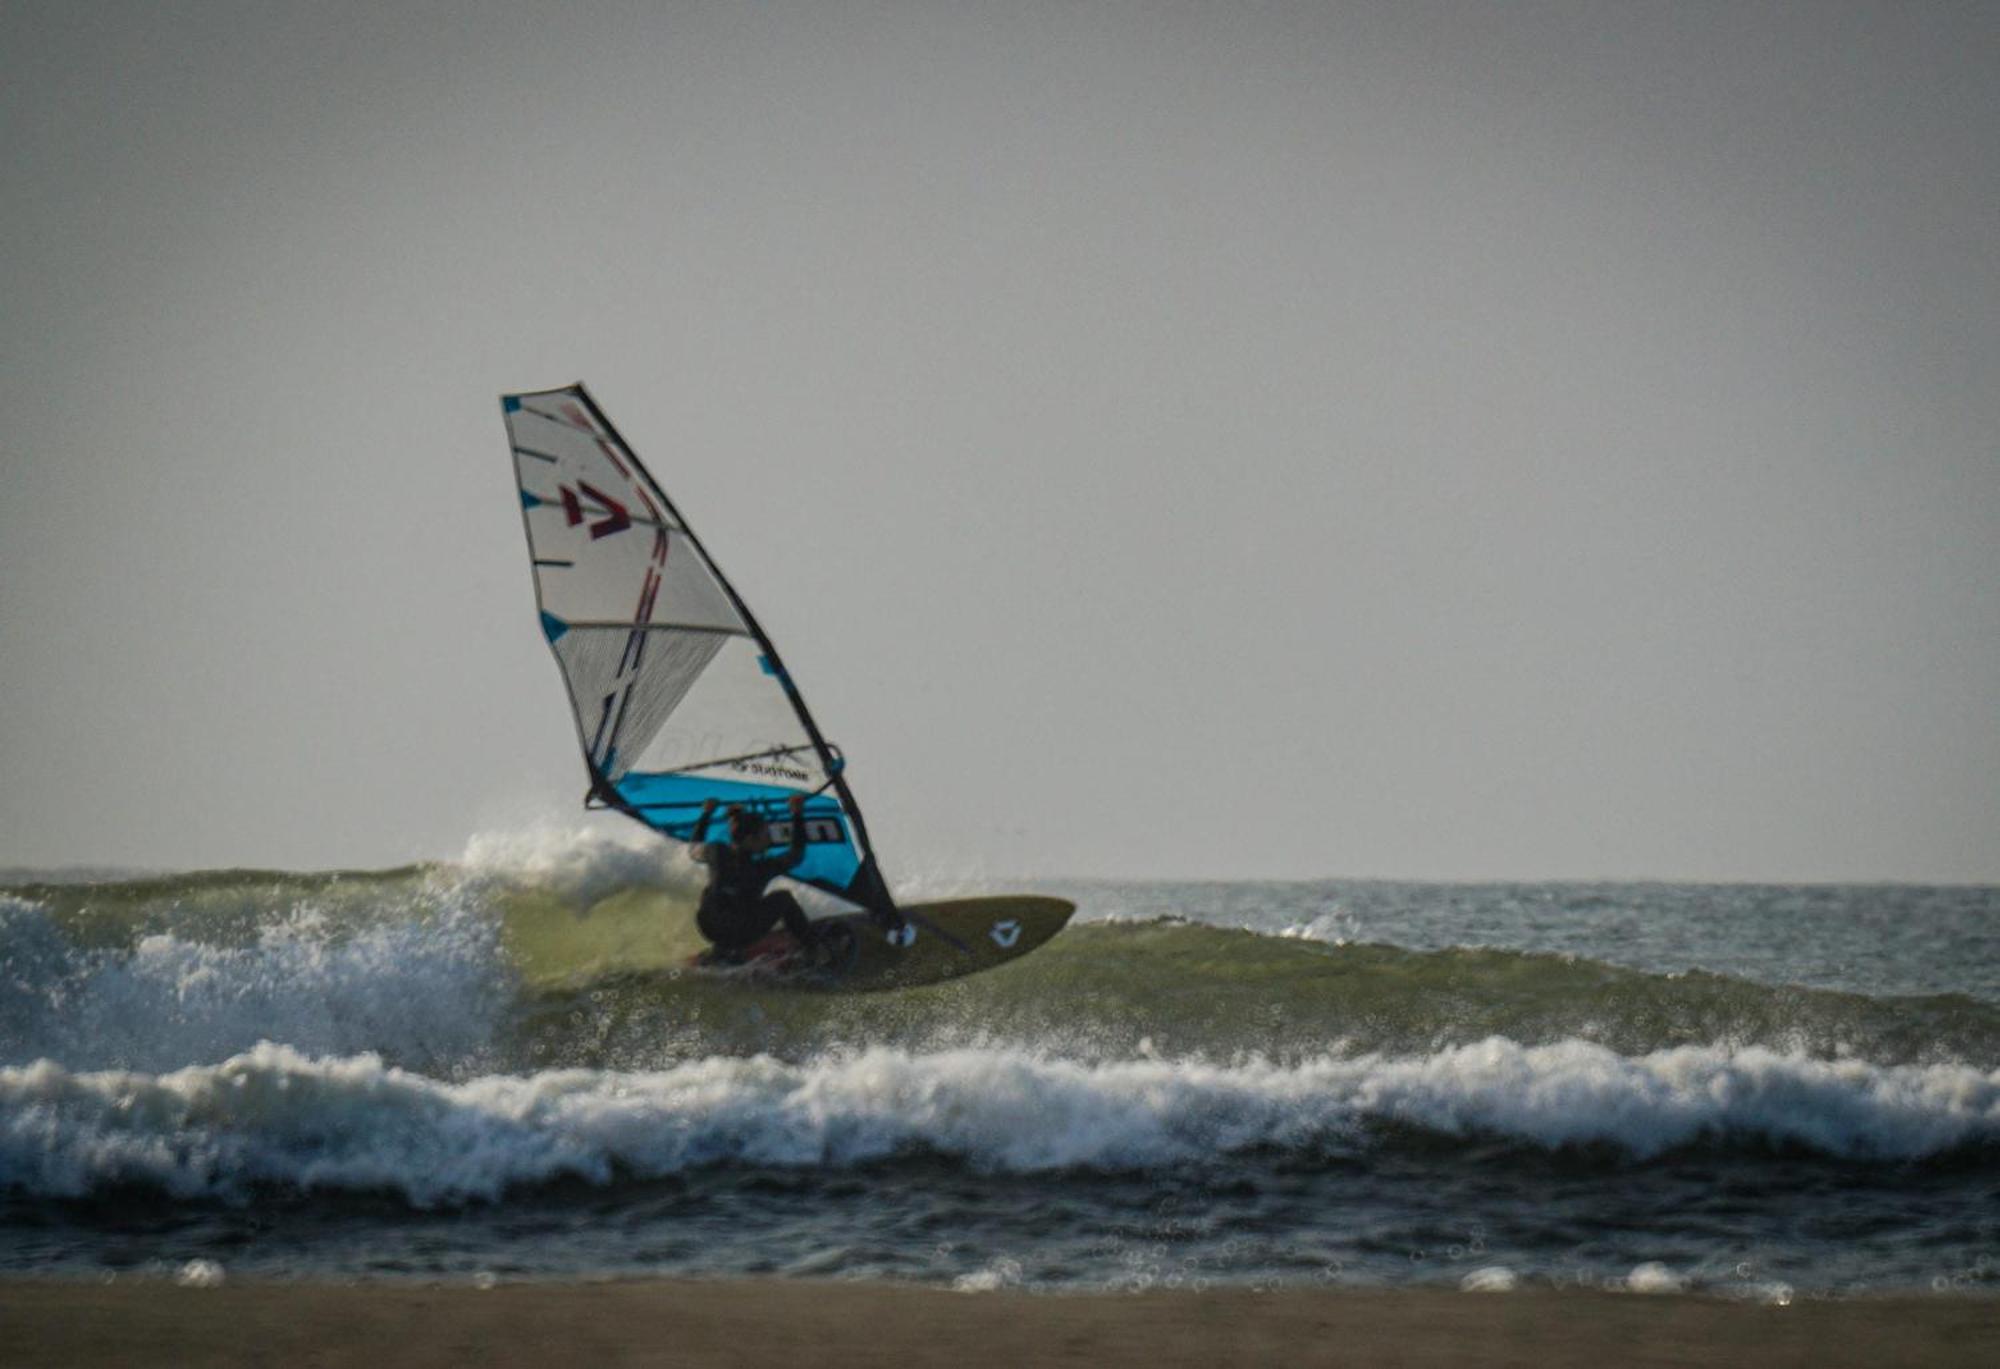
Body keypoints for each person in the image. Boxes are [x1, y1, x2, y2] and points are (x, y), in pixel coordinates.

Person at [688, 793, 822, 960]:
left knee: (716, 895)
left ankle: (721, 950)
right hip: (742, 933)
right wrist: (797, 814)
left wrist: (707, 813)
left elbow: (693, 849)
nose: (769, 841)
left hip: (709, 927)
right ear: (751, 839)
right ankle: (813, 948)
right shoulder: (762, 867)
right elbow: (797, 854)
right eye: (765, 835)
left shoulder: (716, 851)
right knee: (784, 898)